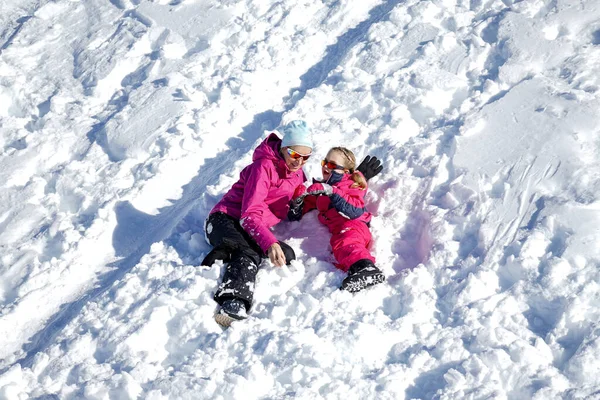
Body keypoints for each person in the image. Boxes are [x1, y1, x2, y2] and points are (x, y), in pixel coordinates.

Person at [201, 120, 314, 326]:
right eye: (295, 154)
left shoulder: (297, 175)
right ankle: (232, 302)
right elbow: (249, 215)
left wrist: (298, 203)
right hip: (225, 220)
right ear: (284, 148)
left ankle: (225, 250)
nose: (299, 162)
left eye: (306, 157)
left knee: (286, 255)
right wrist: (270, 243)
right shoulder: (263, 167)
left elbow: (290, 207)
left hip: (247, 227)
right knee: (250, 253)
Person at [288, 147, 385, 293]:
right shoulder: (322, 189)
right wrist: (298, 203)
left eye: (332, 165)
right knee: (340, 243)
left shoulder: (351, 185)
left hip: (355, 226)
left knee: (346, 241)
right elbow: (298, 213)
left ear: (345, 171)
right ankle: (356, 270)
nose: (326, 167)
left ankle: (367, 269)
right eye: (325, 162)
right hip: (340, 230)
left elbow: (355, 210)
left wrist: (332, 192)